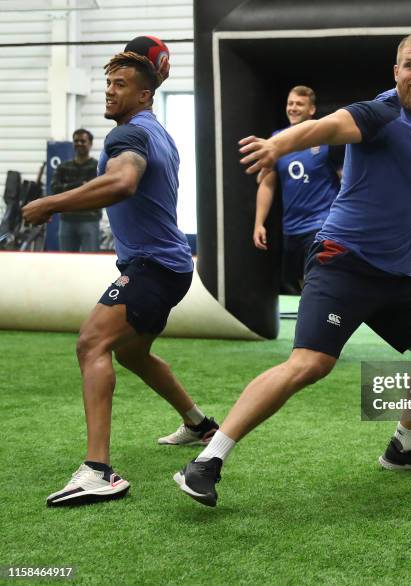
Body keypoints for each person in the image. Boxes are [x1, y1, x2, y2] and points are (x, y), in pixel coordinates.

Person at [174, 33, 411, 508]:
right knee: (310, 364)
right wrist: (280, 144)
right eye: (410, 65)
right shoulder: (380, 113)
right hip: (345, 261)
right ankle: (208, 460)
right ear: (395, 73)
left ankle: (403, 447)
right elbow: (329, 126)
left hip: (399, 275)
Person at [22, 49, 218, 507]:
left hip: (153, 267)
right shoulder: (158, 133)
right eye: (108, 84)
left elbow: (123, 182)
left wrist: (51, 203)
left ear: (145, 94)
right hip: (164, 265)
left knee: (92, 343)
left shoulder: (129, 135)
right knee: (133, 354)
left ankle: (97, 472)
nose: (110, 91)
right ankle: (197, 424)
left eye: (121, 85)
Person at [253, 86, 343, 292]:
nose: (293, 108)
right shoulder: (275, 141)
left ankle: (321, 320)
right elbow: (267, 183)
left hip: (321, 224)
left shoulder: (326, 139)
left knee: (314, 278)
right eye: (290, 103)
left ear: (311, 110)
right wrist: (259, 223)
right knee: (300, 281)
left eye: (299, 104)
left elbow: (345, 181)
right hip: (292, 228)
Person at [51, 129, 101, 252]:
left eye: (83, 141)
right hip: (67, 221)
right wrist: (81, 185)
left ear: (90, 144)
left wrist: (67, 188)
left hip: (89, 221)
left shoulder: (98, 167)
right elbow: (55, 189)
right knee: (66, 263)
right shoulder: (63, 167)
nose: (79, 143)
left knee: (91, 262)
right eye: (76, 141)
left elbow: (96, 192)